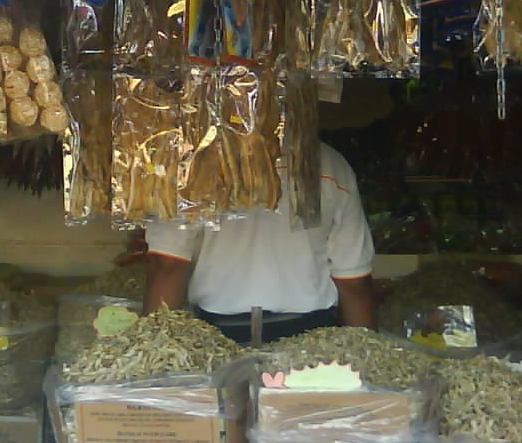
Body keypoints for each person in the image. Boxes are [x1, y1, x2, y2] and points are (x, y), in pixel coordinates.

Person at [142, 140, 377, 344]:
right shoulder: (330, 164)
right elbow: (353, 282)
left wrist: (149, 358)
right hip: (312, 338)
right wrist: (367, 365)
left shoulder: (191, 162)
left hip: (218, 336)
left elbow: (168, 265)